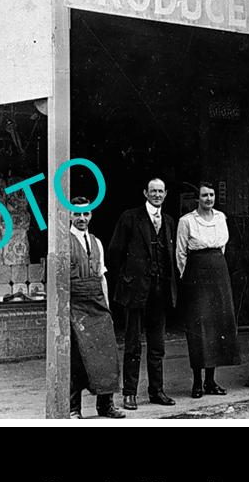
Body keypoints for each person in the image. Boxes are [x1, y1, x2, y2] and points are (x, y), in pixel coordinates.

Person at [107, 178, 179, 410]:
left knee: (157, 345)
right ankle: (130, 393)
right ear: (145, 193)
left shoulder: (169, 221)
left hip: (159, 292)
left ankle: (157, 391)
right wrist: (128, 278)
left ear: (166, 194)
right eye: (153, 191)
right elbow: (115, 252)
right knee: (133, 344)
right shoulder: (130, 217)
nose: (157, 195)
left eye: (161, 191)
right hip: (136, 291)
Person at [176, 183, 240, 398]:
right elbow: (181, 253)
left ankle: (211, 381)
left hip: (218, 272)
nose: (209, 198)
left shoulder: (221, 218)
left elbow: (223, 247)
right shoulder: (186, 221)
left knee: (217, 326)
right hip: (196, 275)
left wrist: (216, 267)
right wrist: (188, 278)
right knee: (199, 327)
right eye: (204, 195)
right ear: (198, 198)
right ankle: (196, 382)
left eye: (211, 195)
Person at [68, 196, 124, 419]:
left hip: (98, 305)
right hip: (76, 305)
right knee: (77, 358)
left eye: (86, 213)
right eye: (77, 213)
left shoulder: (97, 241)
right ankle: (74, 408)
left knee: (106, 355)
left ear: (91, 215)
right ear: (69, 215)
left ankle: (106, 405)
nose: (82, 218)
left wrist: (107, 308)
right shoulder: (63, 241)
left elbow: (102, 277)